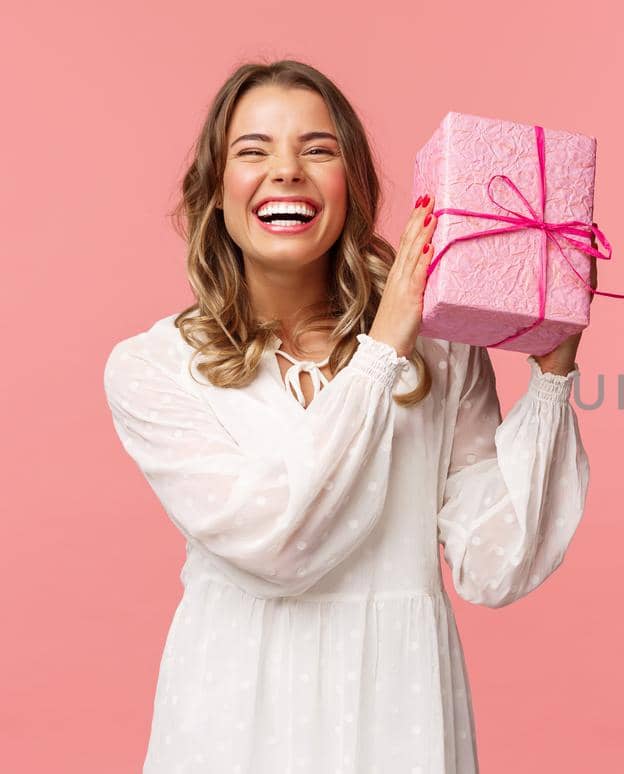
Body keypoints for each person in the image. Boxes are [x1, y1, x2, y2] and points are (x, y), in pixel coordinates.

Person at [101, 59, 591, 774]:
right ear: (215, 193)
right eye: (253, 150)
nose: (287, 171)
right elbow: (278, 547)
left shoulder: (443, 352)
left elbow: (496, 567)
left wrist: (552, 375)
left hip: (400, 712)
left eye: (318, 149)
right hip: (234, 718)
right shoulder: (154, 367)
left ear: (352, 186)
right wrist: (383, 348)